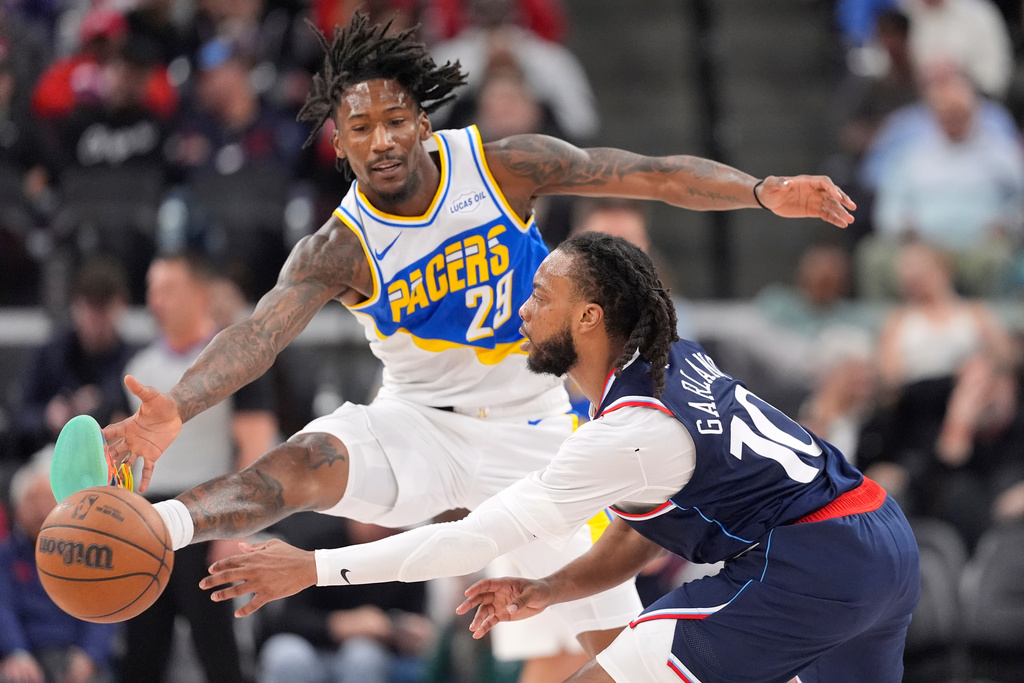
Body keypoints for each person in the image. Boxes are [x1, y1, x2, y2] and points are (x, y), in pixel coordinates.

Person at [97, 12, 855, 682]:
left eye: (395, 120)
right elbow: (259, 333)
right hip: (419, 423)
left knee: (611, 649)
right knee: (305, 462)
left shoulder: (500, 168)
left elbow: (644, 175)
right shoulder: (339, 247)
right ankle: (159, 528)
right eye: (360, 129)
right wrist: (182, 407)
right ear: (341, 141)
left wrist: (760, 189)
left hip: (538, 427)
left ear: (423, 121)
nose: (381, 141)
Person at [201, 232, 919, 683]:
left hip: (811, 562)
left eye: (539, 296)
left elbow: (472, 537)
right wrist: (550, 588)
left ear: (589, 319)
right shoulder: (675, 362)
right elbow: (644, 524)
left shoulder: (624, 431)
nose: (522, 310)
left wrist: (311, 567)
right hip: (882, 544)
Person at [115, 251, 279, 683]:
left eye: (168, 289)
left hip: (206, 517)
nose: (156, 300)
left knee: (219, 653)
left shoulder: (235, 360)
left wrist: (238, 525)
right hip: (146, 519)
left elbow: (258, 447)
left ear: (201, 294)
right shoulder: (137, 369)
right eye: (152, 289)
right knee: (142, 652)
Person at [0, 450, 117, 683]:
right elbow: (4, 609)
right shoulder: (6, 554)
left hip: (75, 653)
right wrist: (15, 652)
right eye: (33, 500)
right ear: (18, 506)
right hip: (26, 654)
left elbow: (105, 606)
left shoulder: (88, 552)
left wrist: (88, 654)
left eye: (49, 500)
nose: (42, 510)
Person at [13, 257, 135, 460]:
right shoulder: (50, 354)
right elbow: (19, 417)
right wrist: (48, 416)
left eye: (104, 309)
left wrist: (102, 406)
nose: (97, 320)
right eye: (90, 308)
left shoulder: (133, 361)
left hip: (111, 458)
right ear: (76, 307)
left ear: (121, 306)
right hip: (52, 454)